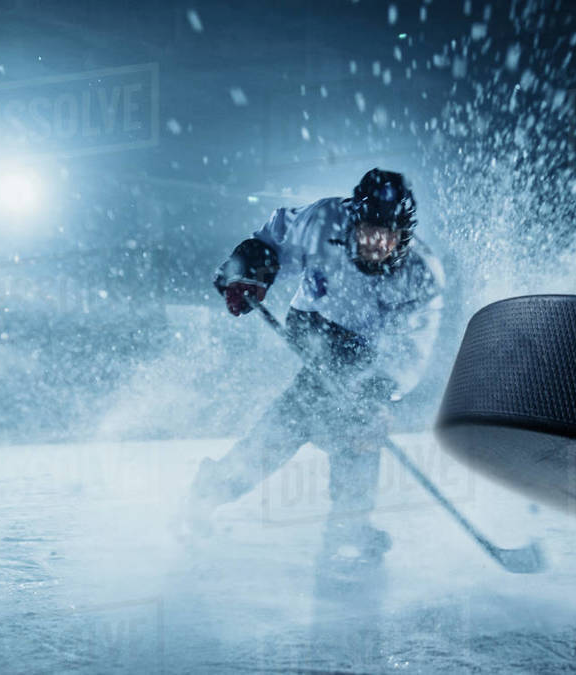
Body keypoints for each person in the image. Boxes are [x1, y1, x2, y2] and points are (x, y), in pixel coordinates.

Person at [185, 168, 444, 564]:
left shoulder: (422, 276)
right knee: (333, 418)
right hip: (313, 324)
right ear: (353, 219)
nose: (375, 242)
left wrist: (378, 394)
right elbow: (274, 236)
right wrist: (248, 267)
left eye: (386, 233)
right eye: (368, 229)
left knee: (348, 423)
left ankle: (215, 488)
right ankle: (349, 528)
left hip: (367, 351)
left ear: (403, 235)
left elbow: (411, 347)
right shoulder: (324, 220)